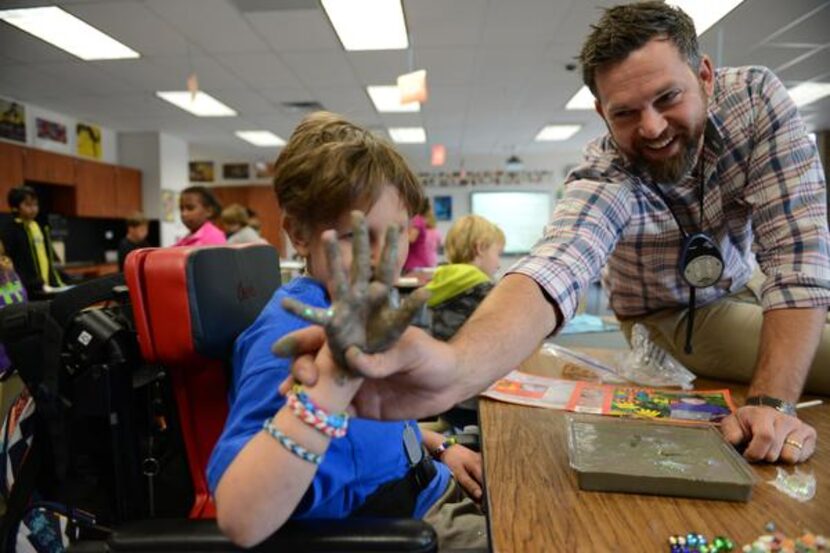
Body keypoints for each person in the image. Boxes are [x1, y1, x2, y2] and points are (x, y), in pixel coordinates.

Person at [278, 1, 829, 466]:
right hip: (675, 314)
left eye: (668, 98)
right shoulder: (608, 170)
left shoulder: (758, 102)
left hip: (744, 285)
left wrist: (773, 404)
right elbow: (555, 265)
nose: (653, 128)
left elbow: (798, 255)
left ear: (705, 75)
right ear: (601, 114)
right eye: (626, 113)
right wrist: (454, 371)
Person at [207, 112, 487, 550]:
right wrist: (333, 377)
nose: (380, 258)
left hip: (432, 478)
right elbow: (241, 517)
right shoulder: (287, 339)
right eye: (353, 237)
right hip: (408, 528)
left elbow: (367, 434)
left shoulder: (356, 313)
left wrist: (437, 445)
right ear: (299, 234)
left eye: (395, 236)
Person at [426, 215, 505, 341]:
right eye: (498, 253)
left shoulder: (437, 281)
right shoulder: (484, 291)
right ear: (480, 248)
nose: (499, 264)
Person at [1, 186, 66, 298]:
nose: (34, 209)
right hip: (25, 290)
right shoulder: (9, 230)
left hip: (45, 287)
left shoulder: (39, 227)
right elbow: (9, 261)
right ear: (15, 207)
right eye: (28, 205)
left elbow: (47, 257)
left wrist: (54, 279)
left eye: (35, 205)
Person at [402, 200, 430, 272]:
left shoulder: (417, 219)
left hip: (416, 264)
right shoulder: (415, 219)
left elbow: (411, 239)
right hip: (414, 263)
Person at [421, 199, 442, 268]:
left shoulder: (422, 233)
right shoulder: (437, 232)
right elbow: (438, 247)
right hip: (433, 260)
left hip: (422, 260)